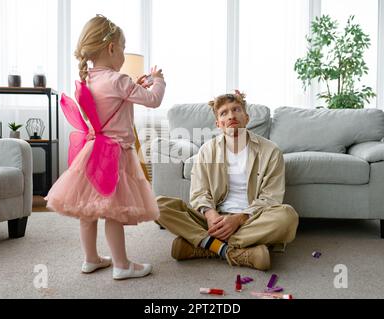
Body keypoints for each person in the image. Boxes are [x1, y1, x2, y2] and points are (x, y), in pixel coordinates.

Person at [45, 14, 166, 280]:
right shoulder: (117, 80)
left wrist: (135, 85)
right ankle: (122, 265)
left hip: (93, 151)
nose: (123, 53)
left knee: (88, 208)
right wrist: (158, 80)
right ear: (112, 47)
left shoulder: (89, 80)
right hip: (115, 154)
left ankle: (90, 259)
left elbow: (112, 103)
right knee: (113, 210)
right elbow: (154, 100)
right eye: (123, 47)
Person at [157, 91, 298, 271]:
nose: (231, 115)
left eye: (236, 110)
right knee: (158, 206)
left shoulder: (271, 151)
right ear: (218, 124)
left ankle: (205, 245)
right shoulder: (207, 151)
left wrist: (239, 219)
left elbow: (271, 198)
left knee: (288, 216)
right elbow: (199, 192)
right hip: (213, 220)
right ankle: (234, 251)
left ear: (246, 118)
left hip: (252, 220)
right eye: (224, 113)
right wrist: (211, 216)